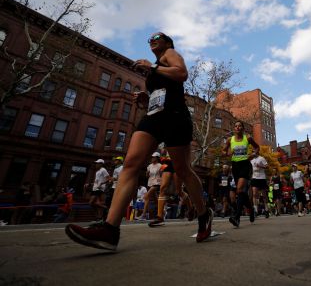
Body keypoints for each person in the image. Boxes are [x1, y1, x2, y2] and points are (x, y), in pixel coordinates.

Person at [65, 32, 213, 250]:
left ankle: (203, 213)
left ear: (167, 42)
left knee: (182, 170)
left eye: (156, 37)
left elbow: (182, 73)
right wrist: (146, 98)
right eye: (149, 39)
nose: (151, 41)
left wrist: (152, 68)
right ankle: (110, 230)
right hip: (153, 116)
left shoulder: (169, 54)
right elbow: (161, 91)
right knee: (131, 164)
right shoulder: (154, 67)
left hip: (175, 116)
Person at [223, 120, 260, 228]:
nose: (238, 127)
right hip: (235, 166)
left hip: (245, 165)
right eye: (236, 126)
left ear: (243, 128)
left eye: (240, 126)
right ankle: (251, 209)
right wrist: (227, 153)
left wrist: (253, 154)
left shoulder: (247, 138)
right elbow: (223, 151)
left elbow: (257, 147)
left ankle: (237, 217)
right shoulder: (230, 140)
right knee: (241, 192)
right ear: (234, 129)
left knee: (239, 190)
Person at [137, 152, 162, 221]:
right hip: (150, 183)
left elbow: (162, 175)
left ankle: (144, 215)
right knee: (155, 200)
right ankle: (162, 212)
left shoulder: (160, 165)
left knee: (146, 197)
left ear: (157, 158)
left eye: (154, 157)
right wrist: (147, 173)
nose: (152, 158)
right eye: (152, 157)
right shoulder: (149, 166)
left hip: (157, 183)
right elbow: (147, 176)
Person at [250, 154, 270, 218]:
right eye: (252, 151)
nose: (253, 152)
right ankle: (255, 210)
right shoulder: (251, 160)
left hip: (262, 178)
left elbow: (267, 167)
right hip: (254, 178)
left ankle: (266, 209)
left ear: (257, 151)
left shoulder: (261, 158)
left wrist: (260, 166)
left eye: (254, 151)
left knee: (264, 195)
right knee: (254, 193)